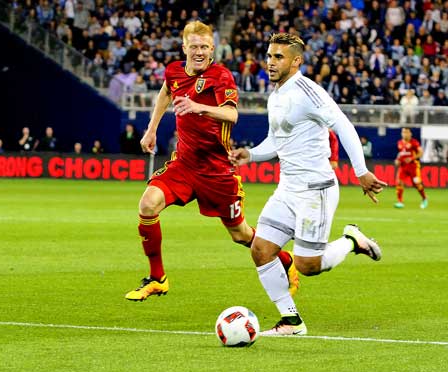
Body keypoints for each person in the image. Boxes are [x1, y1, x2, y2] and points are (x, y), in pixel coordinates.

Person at [125, 22, 298, 302]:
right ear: (184, 48)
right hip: (184, 164)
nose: (199, 52)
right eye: (194, 46)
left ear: (212, 49)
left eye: (204, 47)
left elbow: (232, 115)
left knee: (240, 234)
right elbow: (166, 91)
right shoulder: (174, 71)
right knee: (147, 204)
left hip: (217, 171)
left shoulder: (221, 76)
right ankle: (158, 278)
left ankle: (286, 260)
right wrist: (152, 128)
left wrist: (198, 107)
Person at [229, 33, 387, 335]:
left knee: (307, 266)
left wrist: (361, 170)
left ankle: (352, 241)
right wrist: (250, 154)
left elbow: (342, 124)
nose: (270, 62)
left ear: (296, 61)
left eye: (279, 57)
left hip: (316, 189)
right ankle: (291, 321)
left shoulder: (307, 91)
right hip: (287, 188)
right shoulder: (276, 95)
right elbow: (277, 140)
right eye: (269, 56)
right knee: (261, 249)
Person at [394, 127, 427, 209]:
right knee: (399, 183)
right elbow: (401, 154)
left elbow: (421, 153)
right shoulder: (400, 143)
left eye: (406, 132)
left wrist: (412, 158)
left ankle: (424, 199)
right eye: (403, 132)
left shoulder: (414, 142)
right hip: (403, 167)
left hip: (413, 167)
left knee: (417, 184)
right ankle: (400, 202)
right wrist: (397, 160)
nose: (404, 134)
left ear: (410, 133)